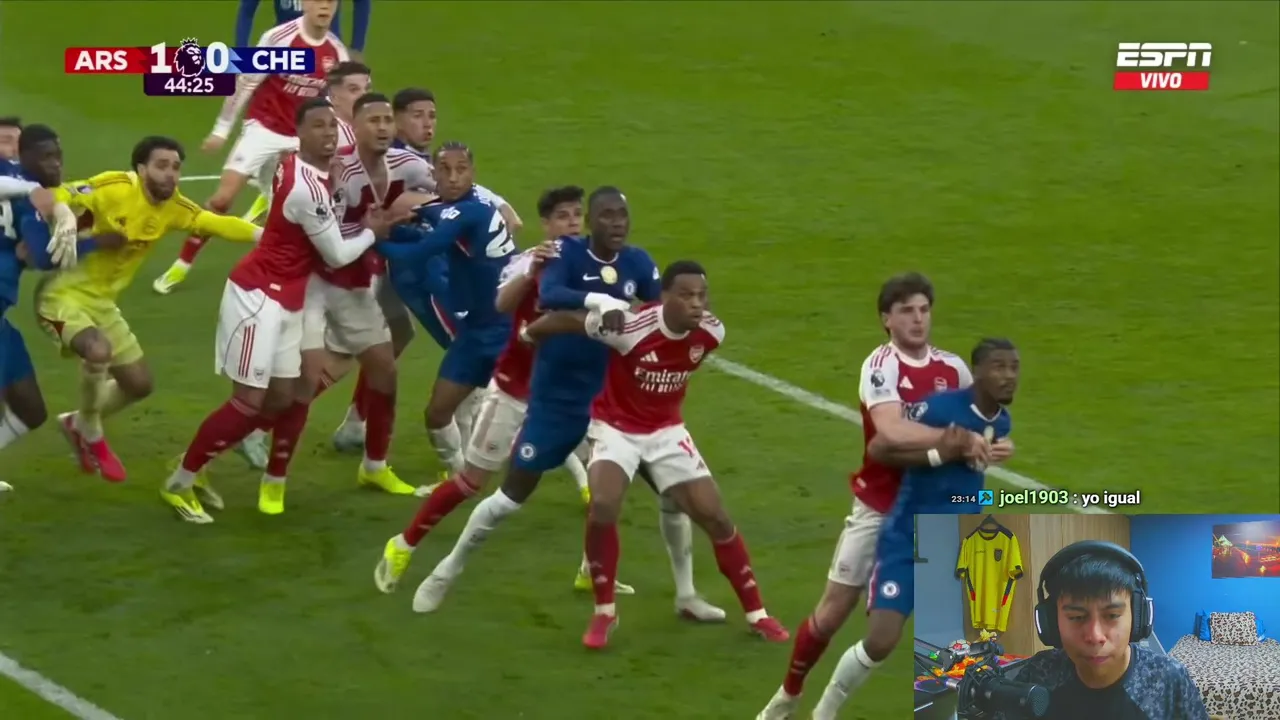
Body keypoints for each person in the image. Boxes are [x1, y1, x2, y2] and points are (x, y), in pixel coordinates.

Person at [397, 186, 654, 614]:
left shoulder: (593, 262)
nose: (570, 223)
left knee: (605, 489)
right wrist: (531, 271)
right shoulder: (534, 261)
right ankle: (407, 544)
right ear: (546, 225)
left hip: (579, 395)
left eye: (576, 215)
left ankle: (593, 573)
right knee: (474, 484)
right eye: (562, 217)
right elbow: (503, 304)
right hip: (517, 389)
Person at [757, 272, 997, 720]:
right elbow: (889, 430)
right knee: (832, 612)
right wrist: (951, 440)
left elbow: (981, 427)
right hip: (879, 507)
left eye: (924, 310)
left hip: (933, 511)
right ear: (887, 319)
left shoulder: (954, 370)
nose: (918, 319)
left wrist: (982, 444)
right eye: (906, 311)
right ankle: (788, 695)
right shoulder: (881, 366)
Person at [160, 98, 401, 522]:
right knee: (248, 401)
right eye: (318, 126)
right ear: (299, 132)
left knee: (285, 396)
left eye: (332, 126)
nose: (329, 133)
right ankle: (179, 481)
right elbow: (338, 254)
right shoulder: (307, 188)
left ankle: (215, 467)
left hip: (290, 296)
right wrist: (372, 231)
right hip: (258, 296)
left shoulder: (301, 166)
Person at [528, 261, 791, 648]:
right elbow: (570, 320)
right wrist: (529, 333)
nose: (697, 303)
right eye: (686, 295)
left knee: (715, 516)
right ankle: (604, 612)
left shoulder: (712, 332)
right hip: (616, 427)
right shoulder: (630, 327)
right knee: (603, 504)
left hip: (666, 431)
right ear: (665, 297)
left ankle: (758, 614)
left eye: (702, 295)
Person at [806, 338, 1020, 719]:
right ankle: (823, 713)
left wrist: (996, 449)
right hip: (908, 539)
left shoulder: (1000, 421)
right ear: (978, 372)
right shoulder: (939, 409)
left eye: (1014, 368)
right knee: (881, 640)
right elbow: (880, 449)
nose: (1008, 376)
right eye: (999, 367)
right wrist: (943, 451)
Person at [38, 136, 260, 484]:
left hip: (102, 303)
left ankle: (75, 422)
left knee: (138, 384)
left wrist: (265, 235)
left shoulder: (174, 207)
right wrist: (65, 215)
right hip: (61, 295)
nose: (170, 174)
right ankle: (90, 430)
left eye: (176, 167)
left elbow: (212, 222)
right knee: (98, 351)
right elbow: (61, 192)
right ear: (141, 169)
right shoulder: (115, 187)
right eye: (161, 166)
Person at [329, 88, 521, 457]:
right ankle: (473, 442)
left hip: (413, 267)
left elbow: (454, 191)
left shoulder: (419, 162)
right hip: (418, 272)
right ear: (398, 120)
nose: (427, 123)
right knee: (464, 349)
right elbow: (421, 204)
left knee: (394, 338)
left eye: (431, 115)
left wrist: (496, 203)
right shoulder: (397, 162)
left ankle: (355, 422)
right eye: (417, 115)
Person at [153, 0, 348, 295]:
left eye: (331, 1)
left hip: (299, 139)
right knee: (222, 200)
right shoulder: (279, 39)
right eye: (318, 0)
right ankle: (181, 264)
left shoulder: (336, 52)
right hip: (263, 129)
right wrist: (221, 130)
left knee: (300, 212)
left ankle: (298, 275)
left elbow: (337, 101)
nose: (325, 7)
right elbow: (245, 82)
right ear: (305, 3)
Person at [298, 91, 431, 495]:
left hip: (364, 274)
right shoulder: (341, 173)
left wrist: (494, 207)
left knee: (392, 346)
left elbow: (450, 189)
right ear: (353, 127)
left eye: (387, 120)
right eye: (374, 120)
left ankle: (367, 449)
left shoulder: (406, 163)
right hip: (327, 279)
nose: (383, 127)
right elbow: (328, 241)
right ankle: (257, 427)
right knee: (327, 364)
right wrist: (378, 228)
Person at [372, 142, 515, 480]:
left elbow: (420, 252)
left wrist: (373, 239)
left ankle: (592, 460)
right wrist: (407, 220)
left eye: (461, 169)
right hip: (474, 331)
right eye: (445, 170)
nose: (453, 177)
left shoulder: (469, 211)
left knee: (539, 410)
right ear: (433, 173)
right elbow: (434, 215)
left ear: (472, 173)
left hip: (506, 329)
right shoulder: (459, 206)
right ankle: (459, 478)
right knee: (437, 414)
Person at [1015, 542, 1210, 719]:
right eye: (1076, 617)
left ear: (1138, 618)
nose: (1095, 636)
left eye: (1112, 615)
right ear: (1050, 621)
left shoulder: (1168, 679)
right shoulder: (1037, 673)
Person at [0, 126, 88, 482]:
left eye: (58, 156)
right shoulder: (26, 191)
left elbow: (36, 252)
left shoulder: (26, 189)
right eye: (48, 157)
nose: (57, 164)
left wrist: (62, 212)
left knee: (31, 410)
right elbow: (42, 256)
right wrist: (98, 241)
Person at [236, 0, 370, 60]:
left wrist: (356, 48)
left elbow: (362, 2)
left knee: (327, 106)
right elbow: (247, 10)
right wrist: (241, 51)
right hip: (283, 49)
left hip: (327, 50)